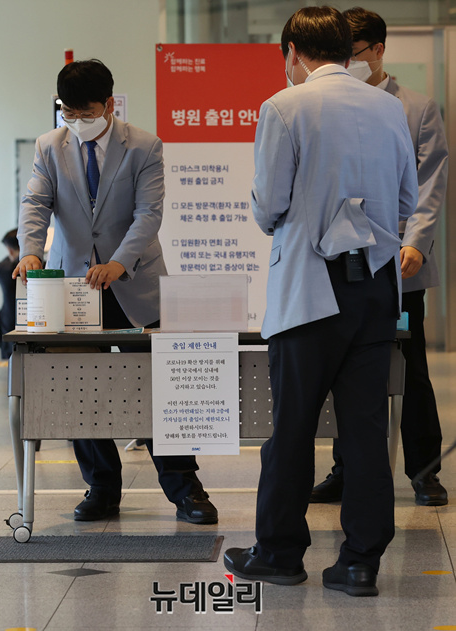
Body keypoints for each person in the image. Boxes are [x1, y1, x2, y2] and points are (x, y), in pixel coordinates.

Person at [223, 6, 418, 596]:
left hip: (311, 288)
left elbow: (268, 206)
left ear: (292, 52)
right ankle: (360, 562)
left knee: (293, 427)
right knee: (365, 429)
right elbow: (406, 201)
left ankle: (279, 553)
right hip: (376, 287)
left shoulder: (285, 106)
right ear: (347, 48)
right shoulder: (388, 107)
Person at [13, 59, 217, 525]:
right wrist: (31, 252)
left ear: (108, 104)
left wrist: (119, 262)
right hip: (73, 288)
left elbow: (148, 214)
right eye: (67, 113)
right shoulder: (49, 146)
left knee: (160, 389)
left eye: (85, 113)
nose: (76, 121)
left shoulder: (144, 145)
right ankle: (101, 487)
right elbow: (36, 203)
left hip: (135, 283)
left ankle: (185, 489)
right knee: (79, 387)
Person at [311, 7, 449, 508]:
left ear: (379, 51)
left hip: (401, 260)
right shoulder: (324, 104)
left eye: (354, 53)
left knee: (410, 368)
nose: (347, 62)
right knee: (345, 365)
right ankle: (345, 469)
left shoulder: (417, 107)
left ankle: (425, 471)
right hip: (341, 261)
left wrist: (416, 242)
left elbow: (431, 183)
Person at [0, 229, 20, 359]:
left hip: (9, 324)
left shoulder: (3, 269)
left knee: (8, 365)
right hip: (35, 325)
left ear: (9, 250)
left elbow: (0, 268)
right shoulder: (41, 266)